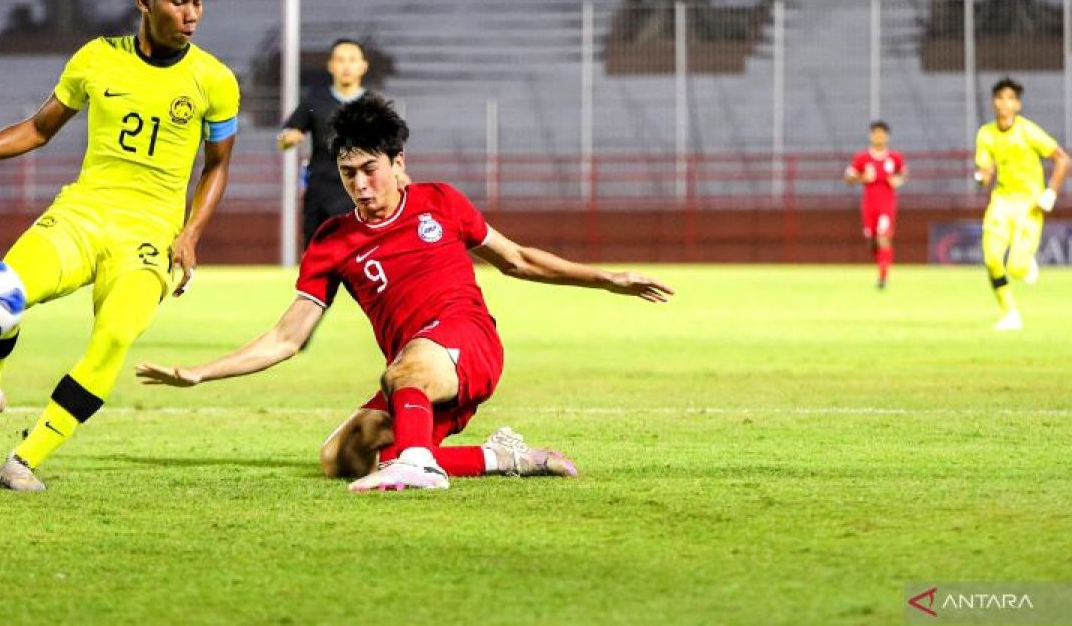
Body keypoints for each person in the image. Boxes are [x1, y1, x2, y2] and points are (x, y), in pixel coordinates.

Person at [137, 94, 673, 492]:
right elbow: (285, 338)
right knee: (343, 457)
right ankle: (502, 459)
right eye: (349, 174)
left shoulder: (441, 202)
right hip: (419, 376)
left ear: (398, 162)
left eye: (370, 169)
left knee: (404, 370)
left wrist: (606, 278)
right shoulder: (333, 242)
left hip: (468, 344)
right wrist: (201, 372)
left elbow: (518, 259)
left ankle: (417, 467)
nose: (361, 185)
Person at [0, 0, 239, 491]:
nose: (191, 14)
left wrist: (190, 235)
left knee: (113, 337)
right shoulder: (96, 58)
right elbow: (40, 129)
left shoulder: (214, 80)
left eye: (199, 2)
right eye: (179, 1)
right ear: (144, 0)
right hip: (82, 215)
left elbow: (217, 167)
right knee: (0, 294)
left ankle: (24, 459)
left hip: (150, 236)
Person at [973, 77, 1070, 331]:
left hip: (1029, 204)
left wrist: (1050, 193)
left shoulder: (1027, 131)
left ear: (1017, 105)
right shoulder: (986, 134)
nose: (1004, 104)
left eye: (1010, 99)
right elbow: (985, 169)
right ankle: (1009, 313)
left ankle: (1024, 264)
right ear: (993, 103)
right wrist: (981, 178)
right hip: (1002, 201)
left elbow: (1062, 159)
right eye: (1000, 98)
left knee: (1015, 267)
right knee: (992, 258)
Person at [278, 39, 371, 248]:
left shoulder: (373, 104)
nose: (346, 66)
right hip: (320, 190)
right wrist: (288, 139)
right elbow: (286, 135)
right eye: (340, 60)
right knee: (316, 255)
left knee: (361, 254)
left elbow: (391, 147)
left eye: (352, 60)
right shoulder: (314, 102)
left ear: (363, 66)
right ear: (331, 65)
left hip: (361, 190)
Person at [843, 121, 907, 289]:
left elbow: (904, 174)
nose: (879, 137)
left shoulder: (894, 158)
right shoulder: (862, 158)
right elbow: (848, 177)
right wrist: (861, 178)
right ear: (871, 136)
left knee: (883, 237)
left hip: (887, 204)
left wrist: (898, 180)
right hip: (869, 204)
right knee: (872, 240)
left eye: (882, 134)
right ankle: (881, 264)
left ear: (887, 137)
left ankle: (883, 277)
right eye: (876, 134)